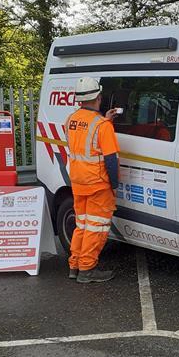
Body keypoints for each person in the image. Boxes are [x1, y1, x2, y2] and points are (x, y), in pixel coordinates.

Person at [65, 77, 120, 283]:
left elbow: (80, 143)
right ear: (99, 97)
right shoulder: (102, 126)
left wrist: (105, 120)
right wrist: (114, 185)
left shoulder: (70, 120)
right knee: (96, 228)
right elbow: (111, 160)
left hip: (78, 181)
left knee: (82, 225)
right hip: (98, 184)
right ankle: (87, 269)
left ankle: (75, 265)